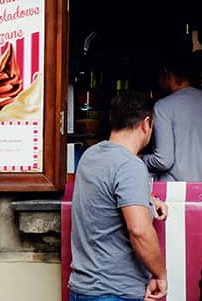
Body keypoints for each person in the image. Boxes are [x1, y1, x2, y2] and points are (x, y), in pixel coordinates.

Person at [69, 91, 168, 301]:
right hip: (113, 291)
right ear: (146, 123)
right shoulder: (130, 165)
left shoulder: (91, 156)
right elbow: (139, 230)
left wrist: (149, 199)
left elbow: (106, 194)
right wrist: (160, 273)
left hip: (82, 289)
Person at [142, 54, 202, 181]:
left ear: (166, 73)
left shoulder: (163, 106)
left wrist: (141, 158)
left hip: (181, 190)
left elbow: (163, 160)